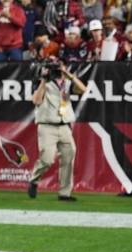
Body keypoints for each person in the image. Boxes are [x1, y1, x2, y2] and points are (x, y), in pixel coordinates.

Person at [28, 58, 87, 201]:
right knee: (47, 159)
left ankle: (64, 193)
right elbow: (36, 101)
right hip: (47, 126)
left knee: (68, 156)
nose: (56, 69)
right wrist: (43, 80)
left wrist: (69, 75)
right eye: (53, 67)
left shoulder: (67, 82)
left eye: (58, 66)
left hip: (64, 126)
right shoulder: (40, 81)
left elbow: (83, 90)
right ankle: (34, 180)